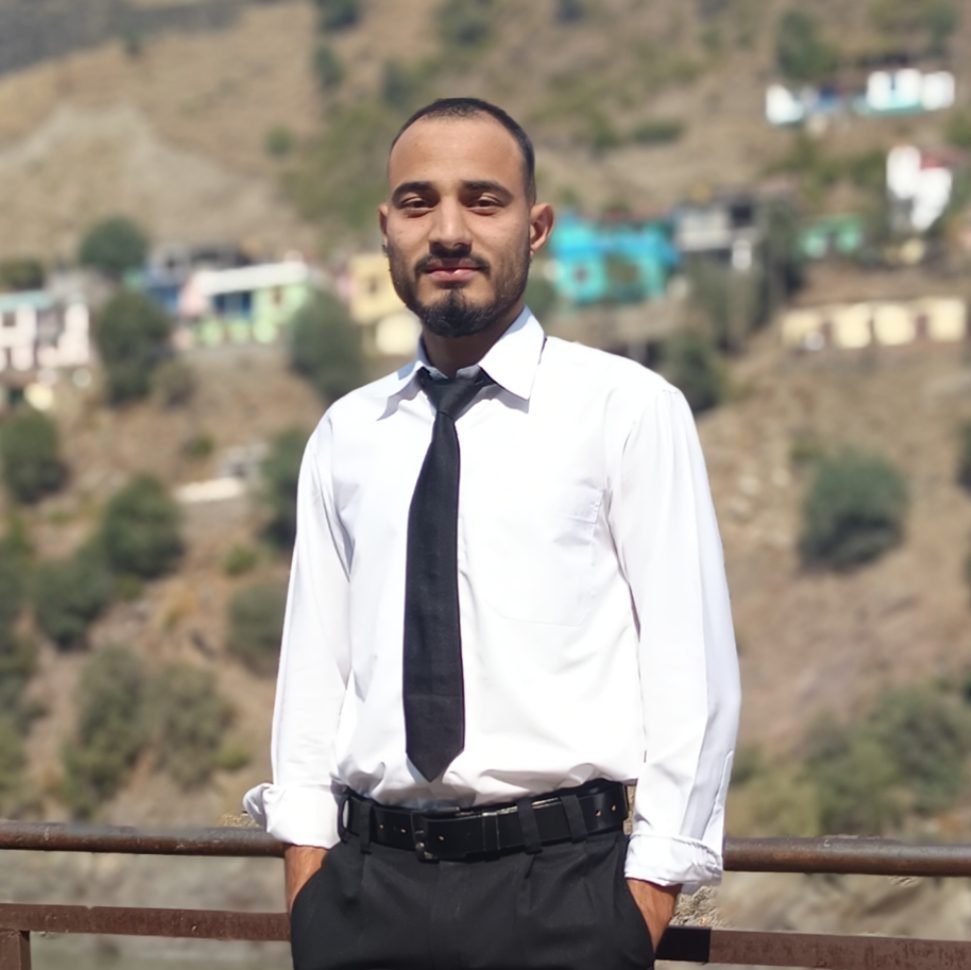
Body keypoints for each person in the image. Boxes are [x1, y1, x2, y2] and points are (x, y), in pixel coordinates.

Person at [244, 97, 741, 970]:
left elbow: (689, 669)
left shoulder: (625, 411)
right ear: (386, 231)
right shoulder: (347, 435)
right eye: (417, 203)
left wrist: (638, 906)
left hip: (562, 896)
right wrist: (310, 887)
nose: (447, 231)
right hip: (363, 896)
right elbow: (313, 676)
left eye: (482, 201)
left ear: (535, 226)